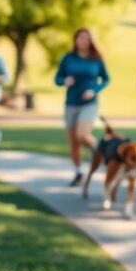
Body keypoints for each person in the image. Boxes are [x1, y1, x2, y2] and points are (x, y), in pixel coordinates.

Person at [54, 28, 110, 186]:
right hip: (71, 103)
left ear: (90, 41)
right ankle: (78, 171)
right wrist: (64, 81)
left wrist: (94, 91)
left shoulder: (96, 59)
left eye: (86, 38)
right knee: (73, 142)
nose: (83, 41)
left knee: (82, 135)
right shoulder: (68, 58)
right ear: (76, 40)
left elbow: (106, 79)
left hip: (89, 103)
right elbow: (57, 78)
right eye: (80, 38)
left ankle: (98, 149)